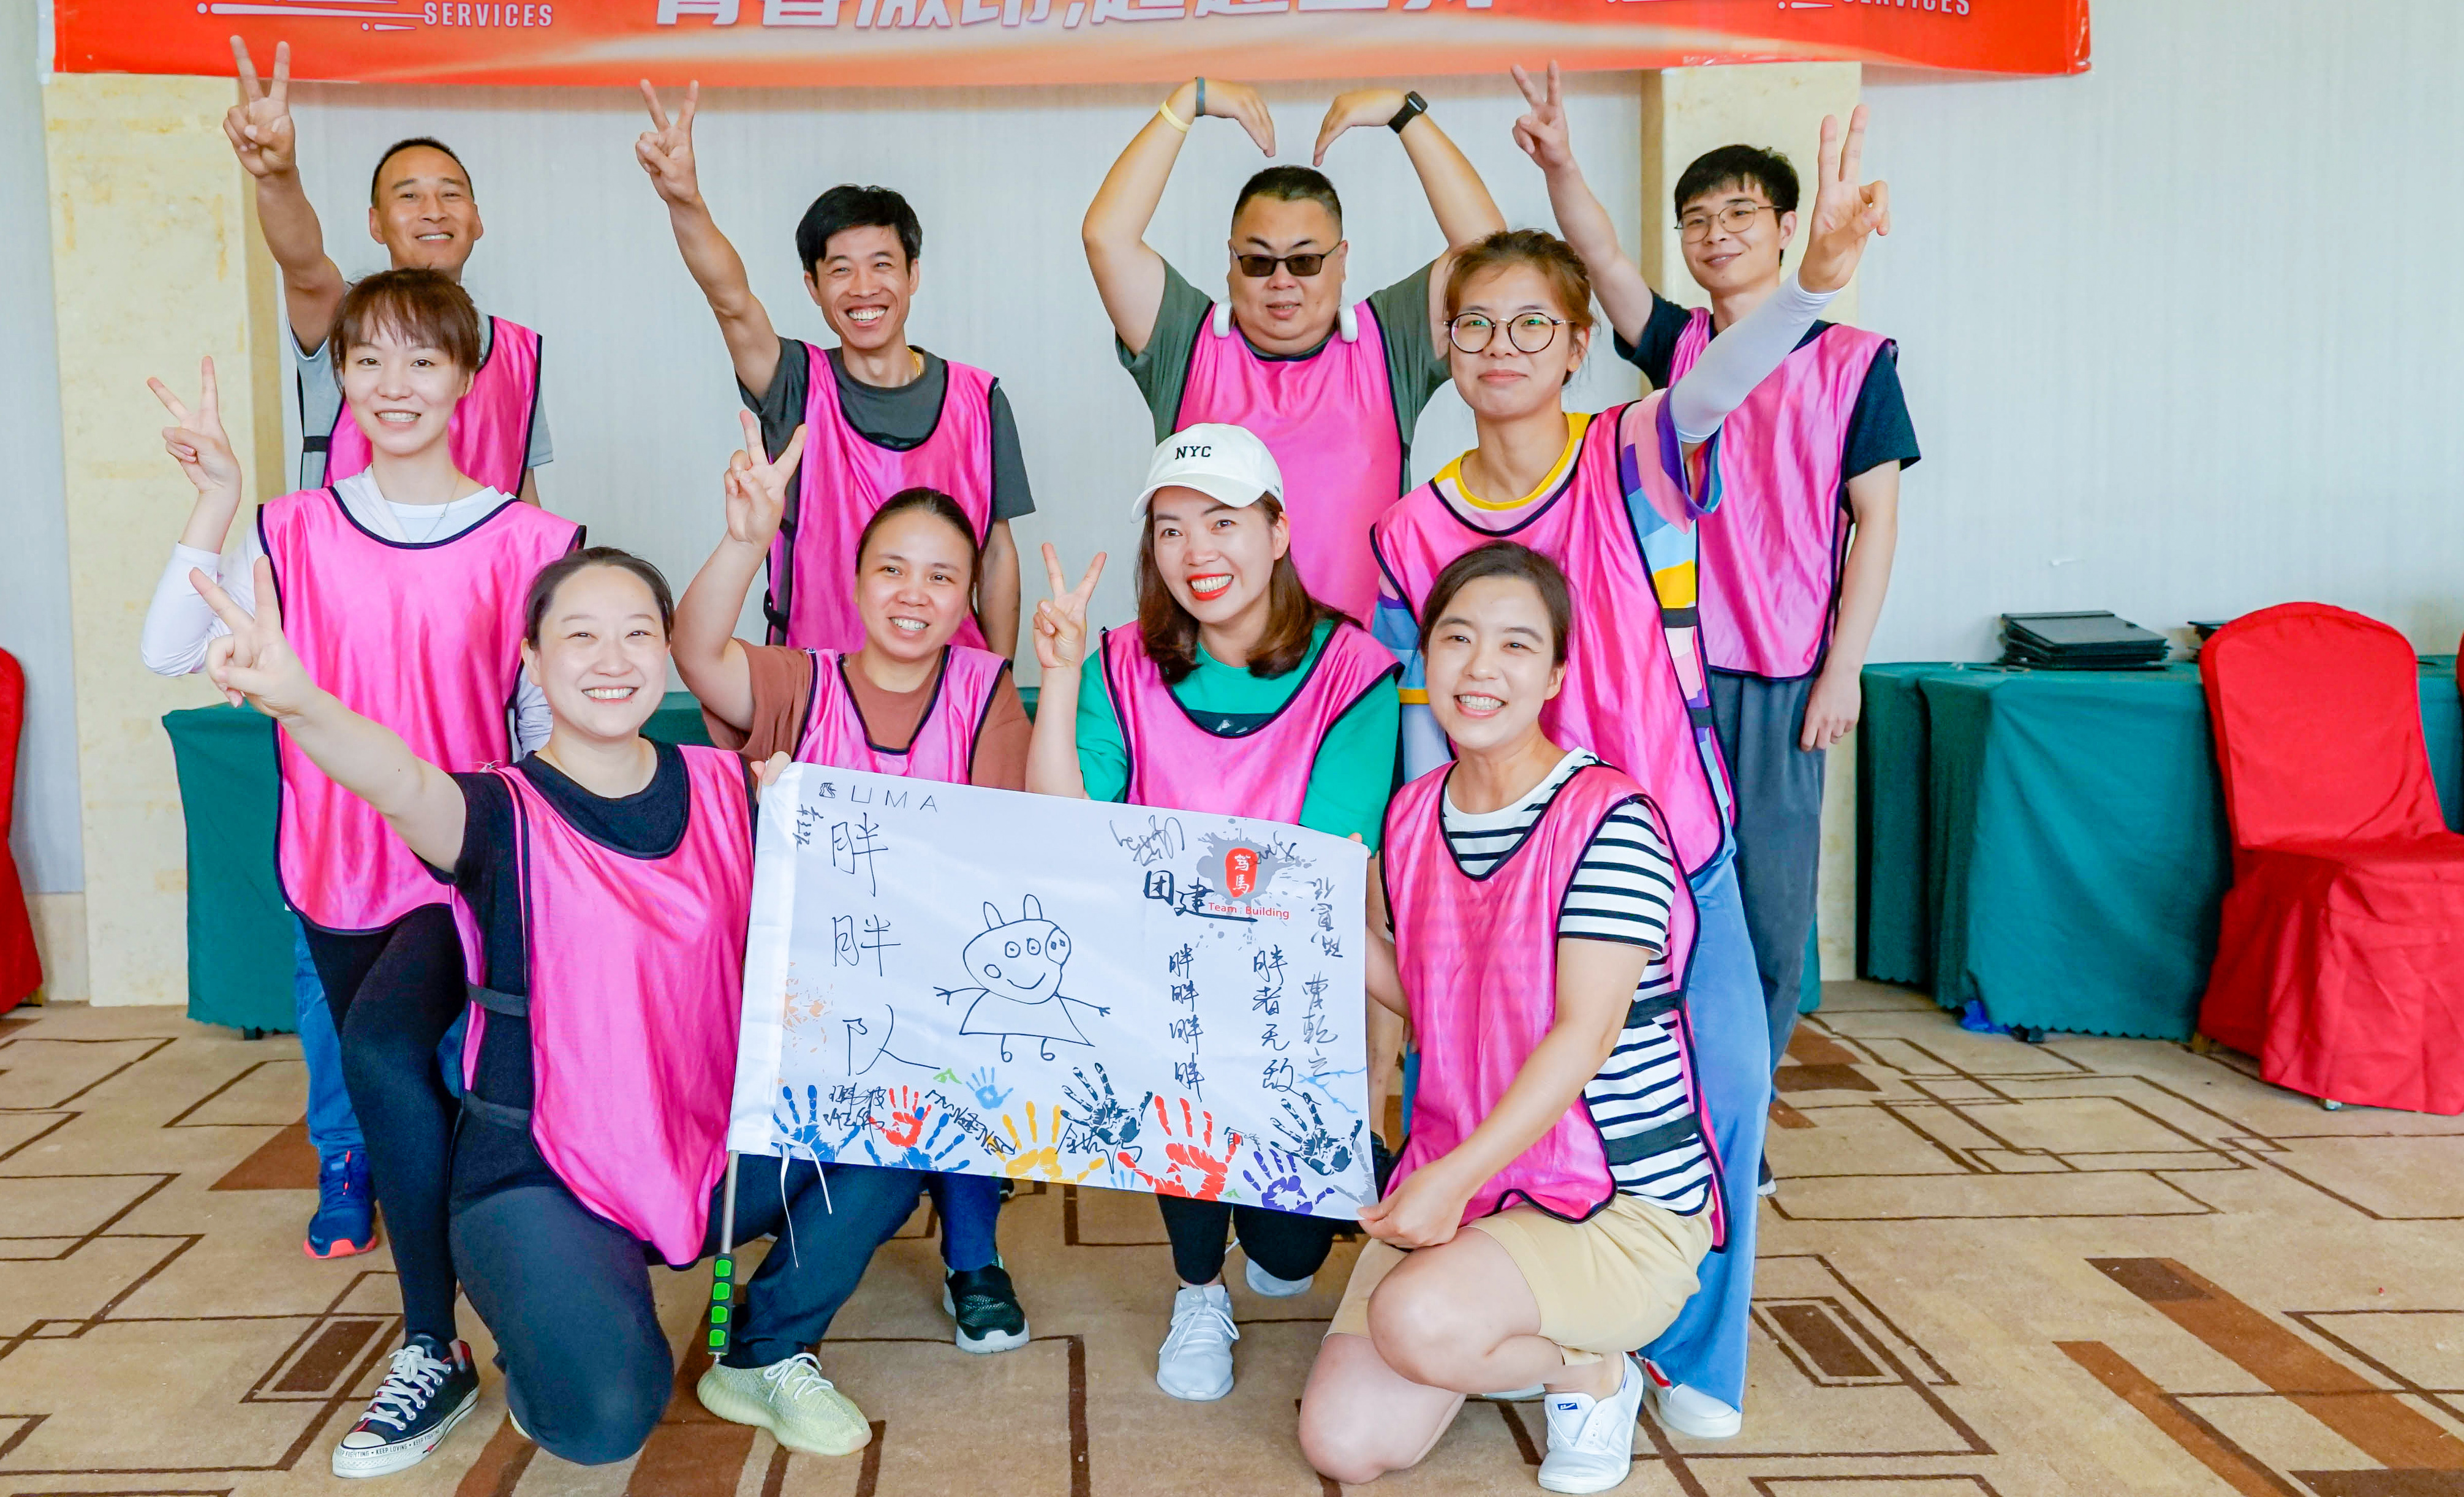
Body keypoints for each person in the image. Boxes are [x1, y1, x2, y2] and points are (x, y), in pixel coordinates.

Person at [1362, 108, 1889, 1443]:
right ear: (1446, 348)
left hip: (1673, 847)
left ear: (1576, 341)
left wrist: (1813, 282)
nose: (1500, 347)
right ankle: (1541, 1314)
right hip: (1500, 875)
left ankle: (1694, 1356)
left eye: (1530, 325)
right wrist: (1422, 872)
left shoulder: (1632, 450)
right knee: (1530, 1097)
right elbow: (1420, 720)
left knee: (1726, 1093)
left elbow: (1718, 383)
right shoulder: (1411, 526)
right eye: (1473, 326)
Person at [187, 545, 928, 1466]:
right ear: (533, 661)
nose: (612, 660)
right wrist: (301, 701)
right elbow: (397, 778)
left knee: (910, 1118)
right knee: (603, 1418)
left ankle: (764, 1349)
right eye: (581, 637)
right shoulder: (492, 812)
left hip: (710, 1146)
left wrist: (797, 827)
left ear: (664, 652)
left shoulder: (733, 785)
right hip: (546, 1169)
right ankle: (548, 1321)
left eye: (637, 634)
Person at [140, 270, 582, 1477]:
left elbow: (546, 729)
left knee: (391, 1054)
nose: (395, 385)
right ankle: (467, 1326)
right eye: (370, 359)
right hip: (333, 871)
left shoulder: (530, 541)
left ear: (466, 378)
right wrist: (217, 497)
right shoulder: (289, 528)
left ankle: (440, 1337)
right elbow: (169, 647)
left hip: (460, 874)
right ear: (340, 376)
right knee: (408, 1095)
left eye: (423, 360)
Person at [1514, 62, 1918, 1068]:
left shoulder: (1856, 363)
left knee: (1772, 913)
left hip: (1783, 678)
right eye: (1695, 219)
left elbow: (1877, 524)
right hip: (1668, 673)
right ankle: (1663, 1094)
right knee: (1661, 896)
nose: (1715, 233)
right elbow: (1600, 254)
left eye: (1739, 213)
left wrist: (1844, 669)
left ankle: (1743, 1108)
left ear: (1787, 228)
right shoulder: (1677, 345)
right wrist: (1560, 163)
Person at [1301, 545, 1720, 1494]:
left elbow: (1585, 1034)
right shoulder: (1412, 816)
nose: (1480, 667)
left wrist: (1447, 1179)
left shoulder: (1611, 818)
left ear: (1557, 674)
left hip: (1615, 1202)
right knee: (1345, 1443)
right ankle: (1508, 1319)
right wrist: (1313, 914)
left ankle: (1594, 1372)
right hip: (1479, 1180)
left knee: (1418, 1323)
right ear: (1426, 659)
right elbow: (1437, 1002)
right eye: (1457, 639)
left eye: (1516, 645)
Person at [1024, 423, 1399, 1402]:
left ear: (1278, 532)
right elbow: (1066, 832)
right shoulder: (1118, 663)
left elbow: (1315, 865)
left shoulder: (1354, 671)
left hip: (1288, 996)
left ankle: (1279, 1232)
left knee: (1291, 1250)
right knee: (1174, 1069)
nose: (1196, 551)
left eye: (1223, 522)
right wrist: (1059, 676)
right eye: (1171, 529)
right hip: (1166, 994)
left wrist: (1165, 875)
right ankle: (1197, 1290)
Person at [674, 413, 1038, 1353]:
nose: (914, 594)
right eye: (893, 569)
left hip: (937, 979)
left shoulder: (986, 688)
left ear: (967, 598)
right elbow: (697, 654)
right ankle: (781, 1222)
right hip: (809, 989)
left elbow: (1000, 858)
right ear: (856, 580)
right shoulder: (800, 681)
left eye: (941, 576)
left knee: (980, 1015)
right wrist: (745, 541)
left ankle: (973, 1256)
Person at [1080, 77, 1504, 621]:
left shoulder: (1391, 341)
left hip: (1361, 662)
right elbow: (1107, 237)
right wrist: (1186, 102)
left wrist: (1405, 114)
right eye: (1259, 262)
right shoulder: (1182, 342)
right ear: (1231, 263)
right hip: (1209, 661)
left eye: (1305, 261)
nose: (1282, 281)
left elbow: (1489, 256)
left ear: (1342, 261)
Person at [636, 80, 1034, 654]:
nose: (864, 287)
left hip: (949, 680)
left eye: (882, 265)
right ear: (813, 287)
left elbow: (996, 554)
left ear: (913, 275)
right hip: (814, 678)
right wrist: (685, 201)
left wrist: (997, 680)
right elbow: (731, 300)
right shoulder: (792, 382)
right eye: (841, 270)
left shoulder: (979, 399)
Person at [222, 37, 554, 502]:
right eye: (409, 196)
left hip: (483, 554)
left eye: (451, 194)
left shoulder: (518, 353)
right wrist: (277, 177)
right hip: (347, 551)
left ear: (477, 220)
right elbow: (303, 268)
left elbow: (523, 496)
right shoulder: (342, 319)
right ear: (375, 223)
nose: (433, 211)